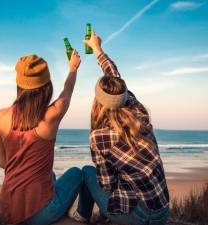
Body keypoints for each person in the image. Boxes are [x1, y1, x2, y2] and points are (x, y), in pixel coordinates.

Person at [73, 31, 170, 225]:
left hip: (140, 217)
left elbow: (107, 185)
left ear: (97, 101)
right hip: (163, 212)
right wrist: (97, 49)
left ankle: (81, 217)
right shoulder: (137, 111)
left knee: (86, 172)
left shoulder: (99, 136)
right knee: (121, 175)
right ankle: (101, 217)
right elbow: (115, 78)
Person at [0, 51, 82, 225]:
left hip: (7, 210)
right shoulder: (51, 115)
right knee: (78, 174)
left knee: (51, 175)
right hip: (39, 214)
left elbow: (3, 164)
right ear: (47, 87)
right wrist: (73, 68)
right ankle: (76, 218)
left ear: (19, 85)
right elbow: (67, 92)